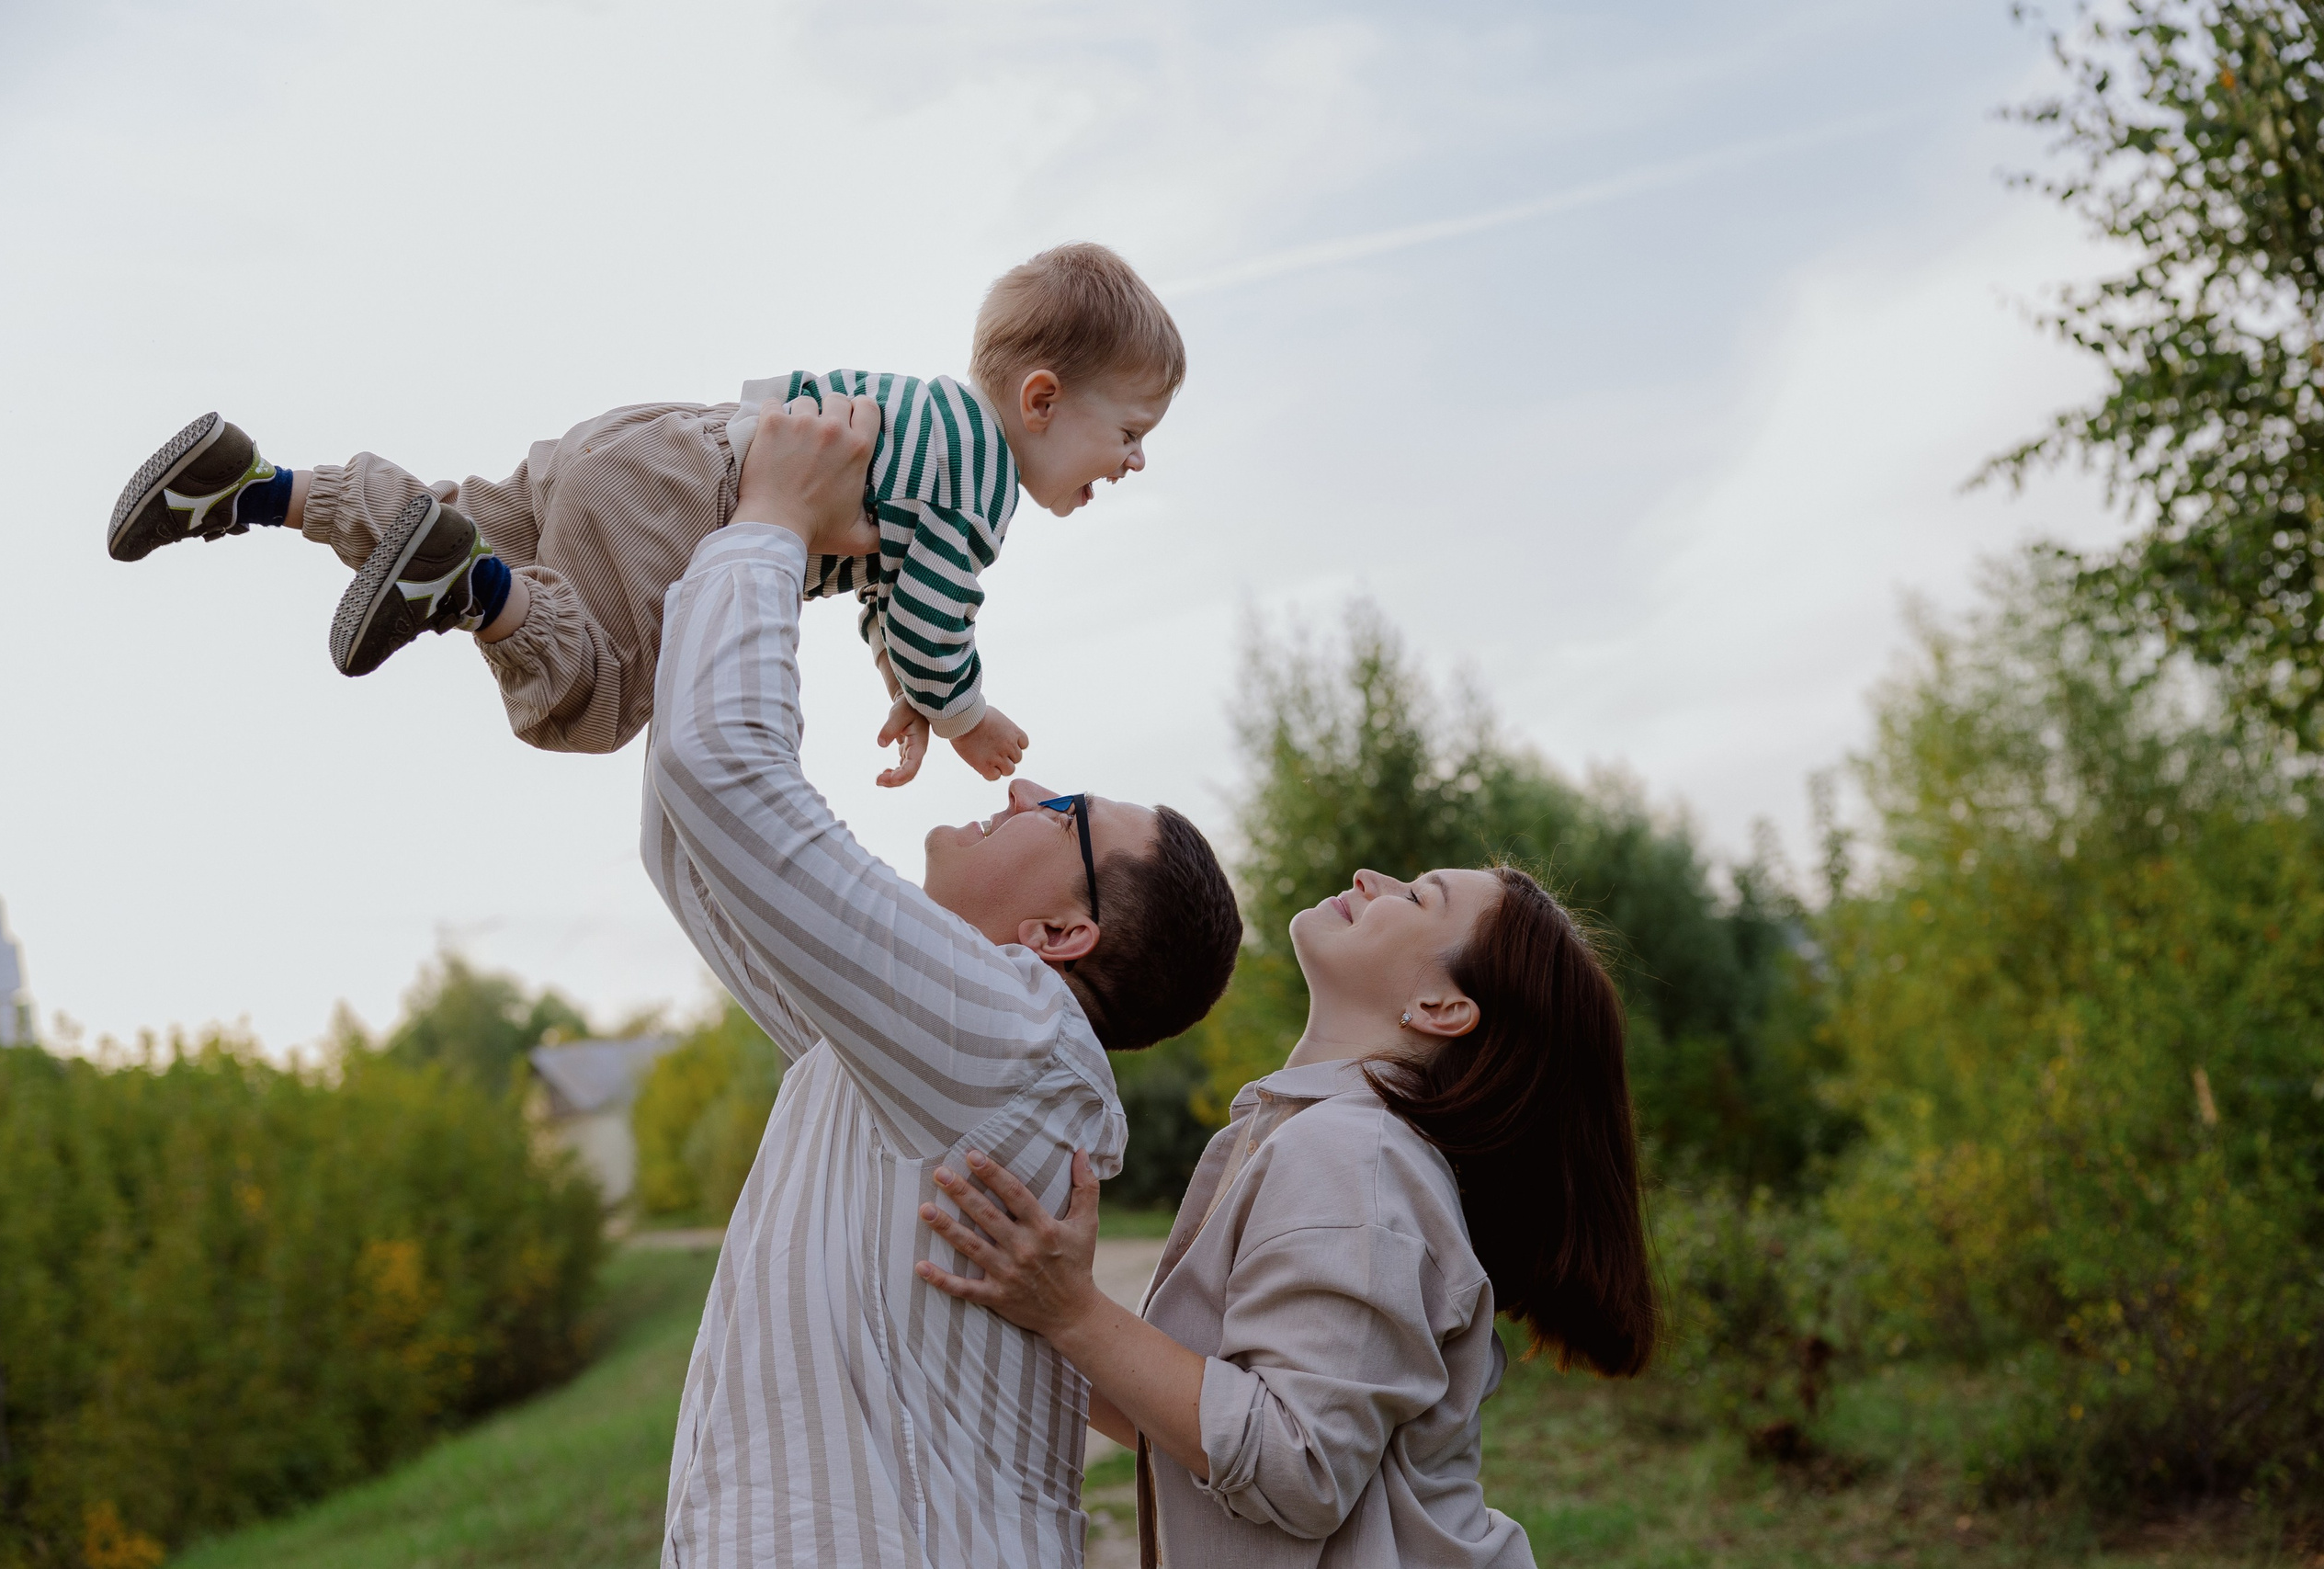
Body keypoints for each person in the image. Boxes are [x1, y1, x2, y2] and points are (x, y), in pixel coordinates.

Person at [640, 386, 1242, 1568]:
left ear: (1063, 936)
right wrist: (789, 565)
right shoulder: (921, 1052)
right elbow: (694, 833)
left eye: (1062, 810)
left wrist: (770, 523)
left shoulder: (1014, 1041)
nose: (1024, 789)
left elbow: (723, 775)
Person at [101, 242, 1183, 785]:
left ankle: (252, 488)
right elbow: (940, 620)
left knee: (476, 515)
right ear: (1040, 400)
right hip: (700, 506)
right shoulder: (982, 489)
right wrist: (961, 714)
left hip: (656, 442)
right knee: (600, 692)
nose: (1132, 463)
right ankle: (467, 592)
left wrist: (900, 682)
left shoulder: (929, 425)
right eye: (1129, 431)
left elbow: (898, 601)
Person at [915, 863, 1658, 1567]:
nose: (1372, 879)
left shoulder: (1355, 1156)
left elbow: (1296, 1467)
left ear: (1441, 1006)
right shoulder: (1321, 1136)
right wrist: (1037, 1309)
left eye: (1419, 895)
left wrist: (1075, 1312)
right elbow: (1193, 1430)